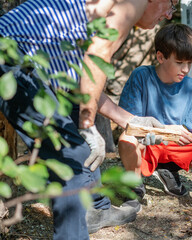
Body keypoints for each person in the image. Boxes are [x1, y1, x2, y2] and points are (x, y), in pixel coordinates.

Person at [0, 0, 179, 239]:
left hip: (20, 55)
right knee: (70, 154)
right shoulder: (133, 2)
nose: (169, 14)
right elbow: (99, 53)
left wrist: (131, 121)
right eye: (172, 3)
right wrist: (87, 125)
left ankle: (94, 208)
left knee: (76, 112)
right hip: (9, 52)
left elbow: (81, 84)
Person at [118, 23, 192, 202]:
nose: (186, 69)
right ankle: (133, 179)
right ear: (161, 57)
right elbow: (131, 125)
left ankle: (168, 170)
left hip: (176, 148)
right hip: (150, 144)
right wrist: (166, 130)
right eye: (179, 63)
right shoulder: (141, 76)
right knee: (126, 140)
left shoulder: (190, 86)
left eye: (189, 63)